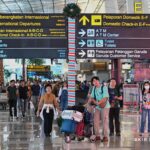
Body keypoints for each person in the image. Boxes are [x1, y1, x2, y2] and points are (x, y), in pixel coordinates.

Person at [89, 76, 110, 142]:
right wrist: (91, 103)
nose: (94, 82)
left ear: (98, 81)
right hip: (97, 107)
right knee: (95, 121)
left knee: (104, 121)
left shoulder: (104, 87)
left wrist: (98, 103)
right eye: (93, 81)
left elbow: (105, 98)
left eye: (95, 80)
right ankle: (97, 136)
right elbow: (91, 97)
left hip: (105, 106)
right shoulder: (94, 88)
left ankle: (105, 136)